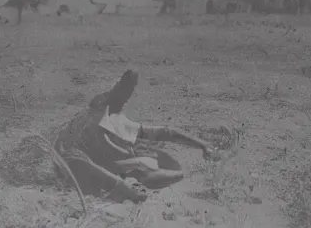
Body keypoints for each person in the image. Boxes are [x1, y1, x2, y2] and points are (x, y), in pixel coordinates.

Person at [56, 70, 217, 203]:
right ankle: (127, 189)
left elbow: (164, 133)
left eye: (127, 92)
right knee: (80, 160)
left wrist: (202, 144)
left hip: (102, 167)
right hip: (76, 163)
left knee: (148, 163)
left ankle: (128, 188)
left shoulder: (120, 123)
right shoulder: (98, 111)